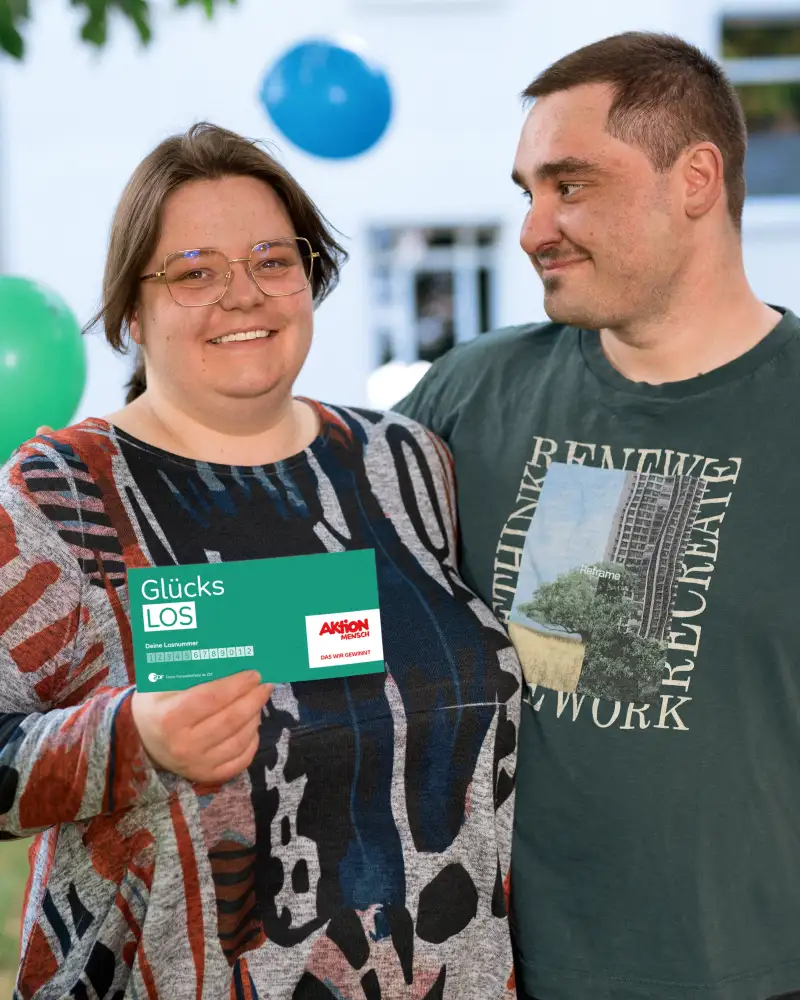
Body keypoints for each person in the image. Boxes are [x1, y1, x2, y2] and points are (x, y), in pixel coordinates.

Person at [0, 123, 521, 1000]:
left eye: (273, 261)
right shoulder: (61, 496)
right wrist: (135, 735)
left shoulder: (407, 464)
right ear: (132, 309)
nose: (242, 295)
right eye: (195, 271)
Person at [396, 31, 800, 1000]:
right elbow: (335, 604)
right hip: (499, 973)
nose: (532, 229)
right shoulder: (468, 396)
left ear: (694, 177)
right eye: (525, 190)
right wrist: (164, 626)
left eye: (568, 185)